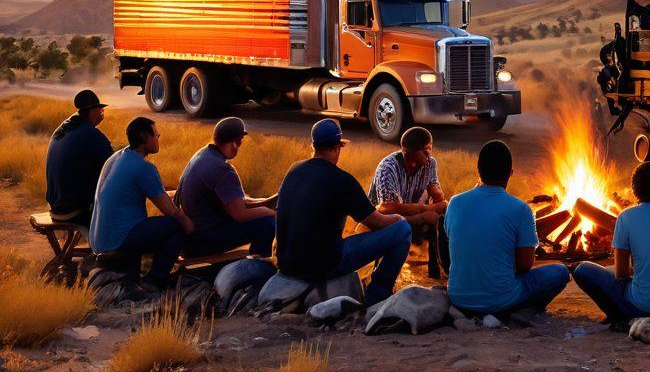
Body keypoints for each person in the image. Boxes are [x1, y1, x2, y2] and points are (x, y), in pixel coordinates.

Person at [275, 119, 411, 305]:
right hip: (324, 264)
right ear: (338, 147)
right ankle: (378, 294)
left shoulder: (294, 170)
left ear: (314, 145)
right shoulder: (342, 180)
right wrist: (398, 217)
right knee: (403, 230)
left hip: (286, 264)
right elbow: (376, 222)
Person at [445, 140, 569, 316]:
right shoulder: (521, 209)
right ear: (510, 173)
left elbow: (455, 246)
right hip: (500, 300)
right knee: (560, 272)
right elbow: (525, 265)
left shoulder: (455, 203)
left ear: (478, 171)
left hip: (459, 298)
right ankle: (524, 309)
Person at [573, 161, 650, 323]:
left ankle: (620, 317)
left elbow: (621, 273)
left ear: (635, 189)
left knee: (582, 270)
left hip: (644, 305)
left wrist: (637, 271)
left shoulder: (626, 217)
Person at [90, 117, 192, 289]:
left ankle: (146, 273)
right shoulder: (143, 168)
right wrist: (189, 223)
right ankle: (156, 280)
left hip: (99, 239)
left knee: (161, 226)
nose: (159, 135)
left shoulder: (117, 157)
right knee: (176, 226)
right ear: (145, 138)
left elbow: (153, 193)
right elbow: (171, 211)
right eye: (155, 134)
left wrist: (169, 195)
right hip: (118, 240)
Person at [177, 117, 276, 258]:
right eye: (240, 141)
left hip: (190, 237)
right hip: (203, 240)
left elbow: (236, 202)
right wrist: (270, 212)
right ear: (235, 142)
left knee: (264, 216)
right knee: (267, 224)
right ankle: (258, 267)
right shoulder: (223, 170)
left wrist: (268, 200)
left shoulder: (203, 154)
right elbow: (240, 214)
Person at [368, 127, 447, 277]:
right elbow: (387, 208)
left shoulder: (430, 164)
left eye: (430, 149)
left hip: (408, 216)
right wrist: (426, 210)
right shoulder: (387, 167)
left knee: (440, 219)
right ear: (406, 151)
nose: (429, 154)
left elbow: (436, 194)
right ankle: (379, 276)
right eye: (425, 151)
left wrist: (439, 200)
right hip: (380, 221)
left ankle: (440, 269)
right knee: (421, 216)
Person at [45, 89, 114, 227]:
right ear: (92, 111)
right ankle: (108, 245)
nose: (102, 115)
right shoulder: (91, 135)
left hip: (55, 206)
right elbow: (113, 168)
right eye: (100, 110)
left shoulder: (62, 129)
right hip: (73, 211)